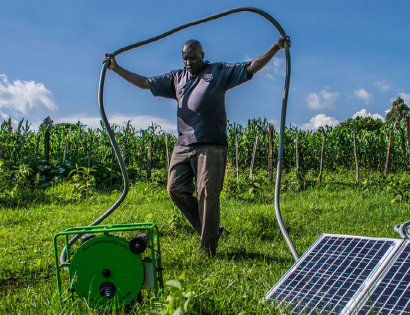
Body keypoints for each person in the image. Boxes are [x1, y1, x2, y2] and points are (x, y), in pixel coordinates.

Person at [104, 37, 290, 256]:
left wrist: (276, 48)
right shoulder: (177, 78)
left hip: (210, 144)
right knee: (174, 188)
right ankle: (209, 230)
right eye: (185, 58)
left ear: (202, 55)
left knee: (207, 194)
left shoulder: (218, 72)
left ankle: (208, 249)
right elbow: (145, 82)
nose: (188, 62)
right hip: (183, 144)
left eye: (192, 57)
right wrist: (116, 68)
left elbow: (252, 67)